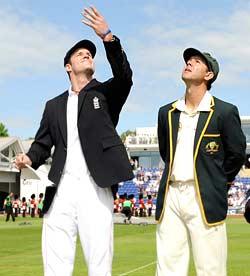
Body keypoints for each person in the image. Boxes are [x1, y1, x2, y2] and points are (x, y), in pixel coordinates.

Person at [15, 6, 133, 276]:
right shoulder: (53, 105)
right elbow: (43, 144)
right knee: (55, 264)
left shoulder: (105, 94)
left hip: (95, 186)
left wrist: (108, 38)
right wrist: (29, 158)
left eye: (90, 53)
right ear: (68, 67)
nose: (87, 55)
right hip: (61, 188)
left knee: (99, 262)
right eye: (80, 54)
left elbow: (125, 77)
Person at [156, 48, 246, 276]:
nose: (189, 63)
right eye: (188, 60)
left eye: (196, 61)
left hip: (205, 195)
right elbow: (167, 153)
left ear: (209, 75)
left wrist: (216, 183)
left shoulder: (225, 111)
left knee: (210, 267)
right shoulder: (167, 112)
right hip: (172, 194)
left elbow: (236, 154)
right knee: (168, 266)